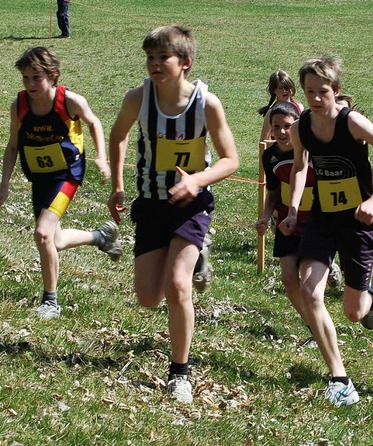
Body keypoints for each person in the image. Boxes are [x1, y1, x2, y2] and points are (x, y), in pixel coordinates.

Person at [107, 26, 239, 404]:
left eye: (162, 57)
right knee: (149, 297)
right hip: (151, 202)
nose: (154, 64)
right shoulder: (138, 98)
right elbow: (117, 137)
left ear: (185, 63)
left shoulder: (206, 103)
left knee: (177, 285)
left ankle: (179, 372)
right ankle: (195, 259)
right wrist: (118, 185)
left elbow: (231, 160)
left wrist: (197, 180)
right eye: (149, 57)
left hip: (192, 205)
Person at [279, 54, 373, 406]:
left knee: (353, 312)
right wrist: (293, 209)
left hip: (358, 222)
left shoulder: (353, 123)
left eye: (322, 92)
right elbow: (300, 168)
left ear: (337, 91)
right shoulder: (300, 126)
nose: (315, 99)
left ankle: (368, 300)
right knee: (310, 292)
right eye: (309, 92)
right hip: (322, 218)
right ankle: (340, 379)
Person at [0, 46, 121, 320]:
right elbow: (12, 147)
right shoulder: (18, 106)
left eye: (36, 77)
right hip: (40, 177)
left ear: (52, 75)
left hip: (67, 175)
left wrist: (101, 159)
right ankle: (100, 237)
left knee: (42, 234)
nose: (30, 84)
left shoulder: (70, 101)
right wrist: (4, 183)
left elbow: (94, 123)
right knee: (53, 240)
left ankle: (51, 302)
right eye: (25, 78)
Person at [256, 102, 312, 334]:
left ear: (298, 126)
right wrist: (266, 216)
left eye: (287, 126)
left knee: (309, 284)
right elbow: (273, 192)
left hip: (314, 224)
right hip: (286, 224)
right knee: (289, 280)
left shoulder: (311, 149)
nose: (280, 132)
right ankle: (312, 325)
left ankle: (319, 323)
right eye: (275, 126)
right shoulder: (270, 156)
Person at [258, 70, 304, 142]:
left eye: (286, 87)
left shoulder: (299, 107)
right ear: (274, 90)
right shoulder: (271, 113)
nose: (284, 91)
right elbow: (263, 141)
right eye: (280, 88)